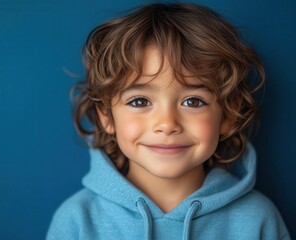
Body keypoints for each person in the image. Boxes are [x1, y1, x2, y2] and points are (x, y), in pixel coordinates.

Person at [46, 3, 290, 240]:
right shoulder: (76, 220)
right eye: (140, 101)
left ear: (228, 115)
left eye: (193, 101)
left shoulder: (259, 219)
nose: (167, 123)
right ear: (107, 116)